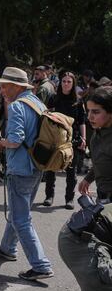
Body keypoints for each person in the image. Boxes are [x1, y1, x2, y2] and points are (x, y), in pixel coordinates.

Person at [57, 86, 112, 291]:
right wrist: (89, 177)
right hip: (103, 204)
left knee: (97, 264)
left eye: (96, 112)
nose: (90, 117)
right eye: (88, 112)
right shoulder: (98, 133)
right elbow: (100, 161)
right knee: (93, 264)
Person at [0, 67, 54, 281]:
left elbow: (15, 140)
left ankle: (41, 265)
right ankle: (7, 248)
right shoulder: (37, 103)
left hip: (21, 168)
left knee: (21, 218)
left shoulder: (17, 106)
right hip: (36, 166)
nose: (2, 90)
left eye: (5, 86)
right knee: (19, 212)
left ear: (17, 86)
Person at [42, 71, 86, 209]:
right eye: (64, 81)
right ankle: (49, 196)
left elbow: (81, 121)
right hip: (54, 138)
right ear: (60, 83)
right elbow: (46, 115)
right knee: (50, 167)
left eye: (69, 82)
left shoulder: (78, 101)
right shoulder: (53, 98)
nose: (66, 84)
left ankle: (69, 199)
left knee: (71, 171)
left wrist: (84, 139)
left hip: (72, 139)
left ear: (73, 84)